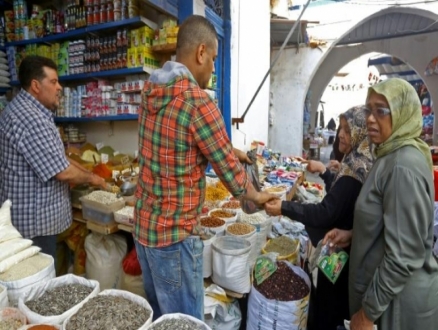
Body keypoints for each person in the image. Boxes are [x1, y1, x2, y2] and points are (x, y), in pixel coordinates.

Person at [134, 15, 274, 321]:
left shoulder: (151, 91)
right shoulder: (198, 101)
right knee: (185, 323)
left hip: (144, 233)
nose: (213, 67)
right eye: (212, 59)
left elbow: (178, 142)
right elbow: (233, 179)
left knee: (160, 319)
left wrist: (233, 151)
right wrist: (257, 197)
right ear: (200, 53)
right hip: (174, 240)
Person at [325, 78, 438, 329]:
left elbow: (403, 255)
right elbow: (394, 223)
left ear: (402, 113)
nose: (371, 118)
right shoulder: (390, 153)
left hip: (397, 307)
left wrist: (366, 315)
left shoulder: (401, 165)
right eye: (368, 109)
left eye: (381, 111)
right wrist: (355, 235)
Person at [265, 106, 373, 330]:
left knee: (328, 308)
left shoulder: (354, 170)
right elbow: (339, 195)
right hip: (343, 244)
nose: (341, 134)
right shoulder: (355, 161)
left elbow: (326, 212)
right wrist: (324, 172)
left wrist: (284, 207)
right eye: (340, 128)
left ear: (360, 132)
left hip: (339, 252)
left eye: (347, 130)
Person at [0, 55, 107, 260]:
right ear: (35, 85)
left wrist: (89, 173)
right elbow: (63, 171)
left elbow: (59, 159)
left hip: (31, 221)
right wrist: (94, 179)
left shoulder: (29, 111)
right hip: (33, 225)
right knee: (38, 285)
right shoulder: (30, 118)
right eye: (53, 81)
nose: (59, 87)